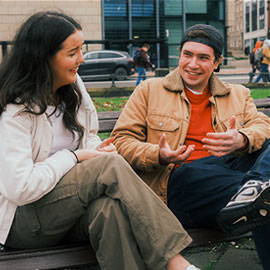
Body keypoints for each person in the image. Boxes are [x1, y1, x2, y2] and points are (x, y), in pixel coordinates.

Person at [0, 11, 202, 270]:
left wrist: (97, 150)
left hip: (67, 209)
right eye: (72, 53)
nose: (81, 59)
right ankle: (177, 263)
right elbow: (20, 188)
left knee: (108, 211)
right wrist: (75, 158)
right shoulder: (15, 112)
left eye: (81, 50)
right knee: (110, 166)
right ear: (44, 57)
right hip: (24, 222)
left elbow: (89, 137)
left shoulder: (73, 86)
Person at [112, 24, 270, 269]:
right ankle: (257, 188)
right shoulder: (150, 90)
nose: (193, 64)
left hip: (230, 175)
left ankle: (256, 187)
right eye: (188, 55)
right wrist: (159, 154)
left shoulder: (238, 93)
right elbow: (121, 140)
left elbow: (262, 125)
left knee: (263, 200)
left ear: (217, 62)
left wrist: (242, 139)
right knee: (255, 195)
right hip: (181, 180)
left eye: (203, 57)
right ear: (180, 55)